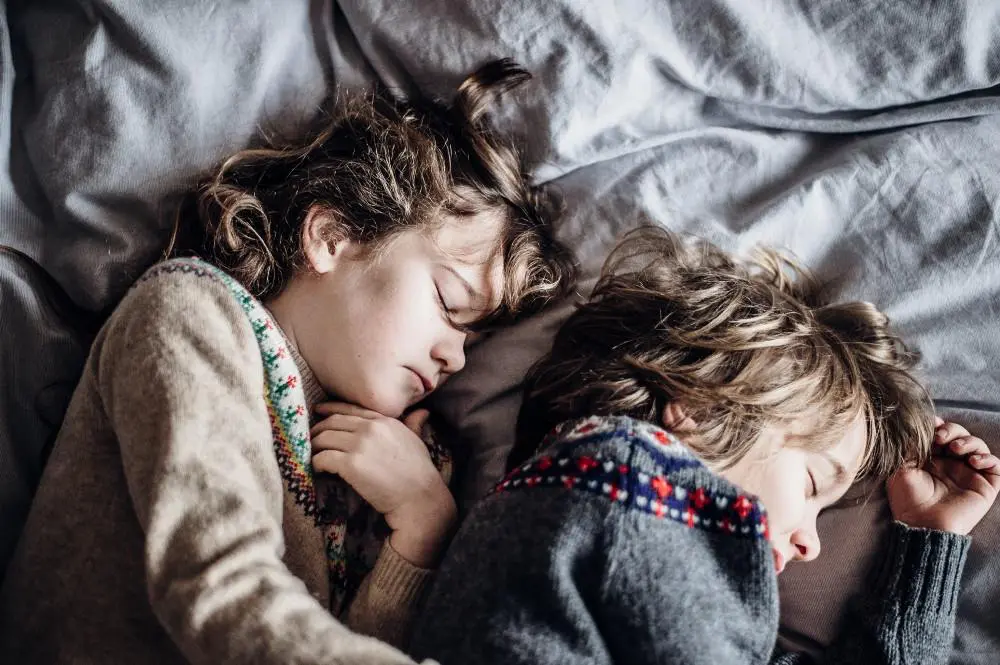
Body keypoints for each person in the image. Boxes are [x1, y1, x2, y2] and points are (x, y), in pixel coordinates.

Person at [0, 59, 576, 665]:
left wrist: (422, 536)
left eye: (473, 342)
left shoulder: (397, 465)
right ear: (331, 237)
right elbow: (220, 591)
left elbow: (330, 639)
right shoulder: (190, 315)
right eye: (448, 303)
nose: (455, 356)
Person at [410, 227, 1000, 665]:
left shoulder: (632, 524)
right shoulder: (618, 481)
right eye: (813, 485)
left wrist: (930, 543)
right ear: (701, 407)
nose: (811, 544)